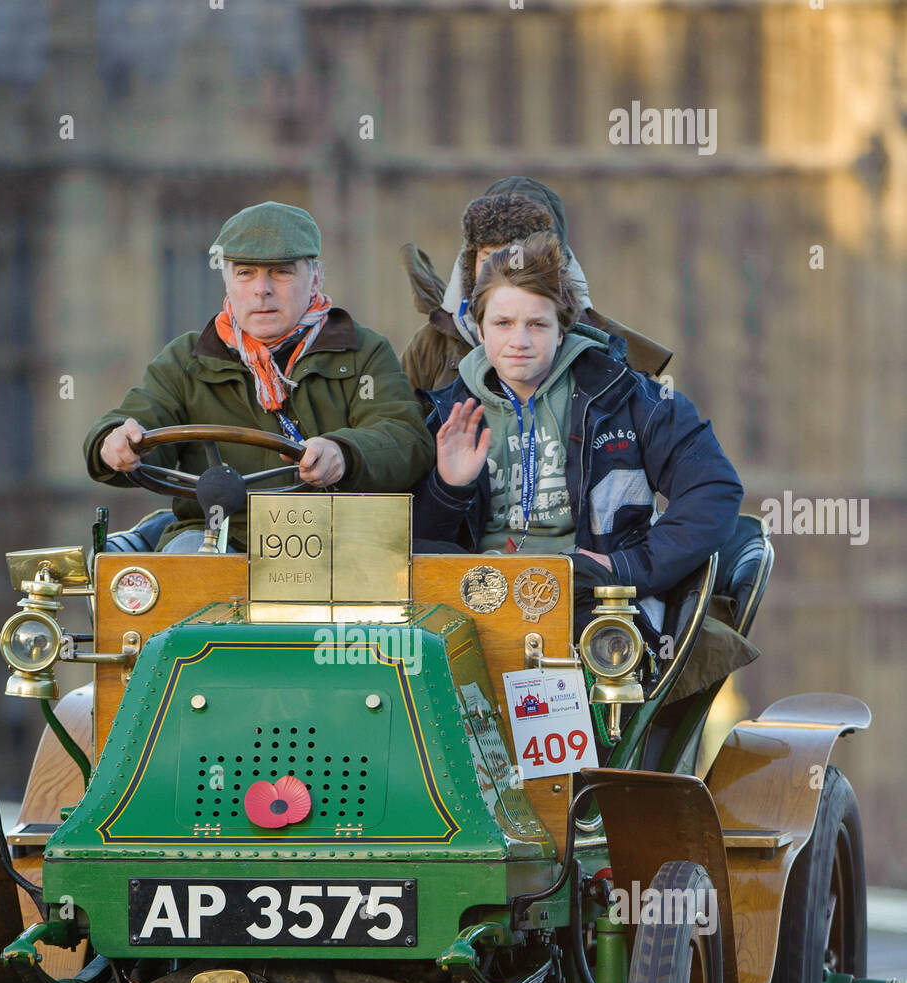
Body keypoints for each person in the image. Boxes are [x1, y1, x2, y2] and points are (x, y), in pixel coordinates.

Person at [412, 231, 743, 647]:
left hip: (593, 604)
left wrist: (623, 567)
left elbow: (714, 490)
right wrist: (449, 488)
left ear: (562, 330)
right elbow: (414, 549)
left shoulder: (628, 397)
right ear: (478, 329)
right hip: (477, 607)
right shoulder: (445, 413)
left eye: (537, 324)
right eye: (503, 324)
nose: (520, 341)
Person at [84, 201, 434, 551]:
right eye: (245, 273)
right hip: (216, 539)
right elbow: (140, 422)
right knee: (183, 565)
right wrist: (113, 443)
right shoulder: (187, 360)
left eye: (281, 272)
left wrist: (345, 453)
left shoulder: (363, 352)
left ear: (314, 280)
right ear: (229, 284)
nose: (261, 290)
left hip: (335, 543)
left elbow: (407, 439)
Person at [399, 175, 672, 393]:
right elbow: (402, 436)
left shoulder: (605, 352)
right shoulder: (430, 346)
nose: (503, 273)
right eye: (489, 258)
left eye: (519, 259)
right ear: (470, 263)